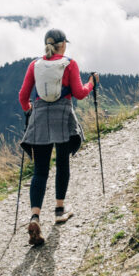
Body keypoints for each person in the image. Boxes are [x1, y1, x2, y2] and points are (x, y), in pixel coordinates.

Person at [18, 28, 98, 246]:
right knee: (62, 163)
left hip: (40, 117)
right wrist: (92, 83)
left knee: (40, 171)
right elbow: (80, 93)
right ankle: (60, 209)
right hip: (63, 116)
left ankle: (35, 216)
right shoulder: (69, 63)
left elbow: (23, 95)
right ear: (63, 45)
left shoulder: (34, 65)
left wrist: (29, 109)